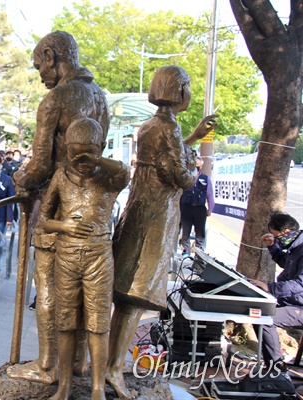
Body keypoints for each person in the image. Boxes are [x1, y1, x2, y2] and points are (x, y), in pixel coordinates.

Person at [109, 65, 216, 398]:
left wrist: (193, 139)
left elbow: (164, 156)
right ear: (179, 89)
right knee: (135, 296)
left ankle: (110, 364)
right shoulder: (168, 126)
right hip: (155, 217)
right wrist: (194, 162)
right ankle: (113, 368)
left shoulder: (153, 125)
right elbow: (180, 176)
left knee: (127, 294)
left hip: (141, 211)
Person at [8, 31, 109, 384]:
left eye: (39, 66)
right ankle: (78, 363)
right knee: (85, 294)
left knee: (50, 288)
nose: (40, 75)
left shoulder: (56, 99)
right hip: (91, 211)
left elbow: (39, 164)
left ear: (51, 55)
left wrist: (21, 180)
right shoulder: (99, 96)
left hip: (56, 211)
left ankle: (48, 364)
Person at [41, 118, 129, 400]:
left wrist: (98, 160)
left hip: (98, 257)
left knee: (98, 323)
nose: (79, 159)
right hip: (66, 256)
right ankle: (64, 386)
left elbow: (126, 173)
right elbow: (43, 220)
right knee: (65, 322)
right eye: (74, 152)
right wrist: (64, 225)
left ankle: (97, 388)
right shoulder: (60, 176)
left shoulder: (108, 178)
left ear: (100, 148)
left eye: (86, 153)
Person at [250, 212, 303, 373]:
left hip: (299, 303)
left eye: (276, 236)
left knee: (265, 319)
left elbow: (300, 284)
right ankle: (273, 361)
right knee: (255, 309)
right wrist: (272, 246)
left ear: (286, 232)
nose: (277, 239)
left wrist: (270, 288)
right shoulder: (296, 246)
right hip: (293, 298)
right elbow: (286, 263)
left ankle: (276, 368)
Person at [180, 156, 215, 257]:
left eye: (198, 166)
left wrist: (210, 209)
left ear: (201, 166)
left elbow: (210, 195)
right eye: (195, 165)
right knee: (185, 231)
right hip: (186, 208)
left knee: (200, 233)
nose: (196, 168)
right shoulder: (185, 179)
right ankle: (185, 251)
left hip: (199, 208)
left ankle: (199, 254)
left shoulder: (205, 178)